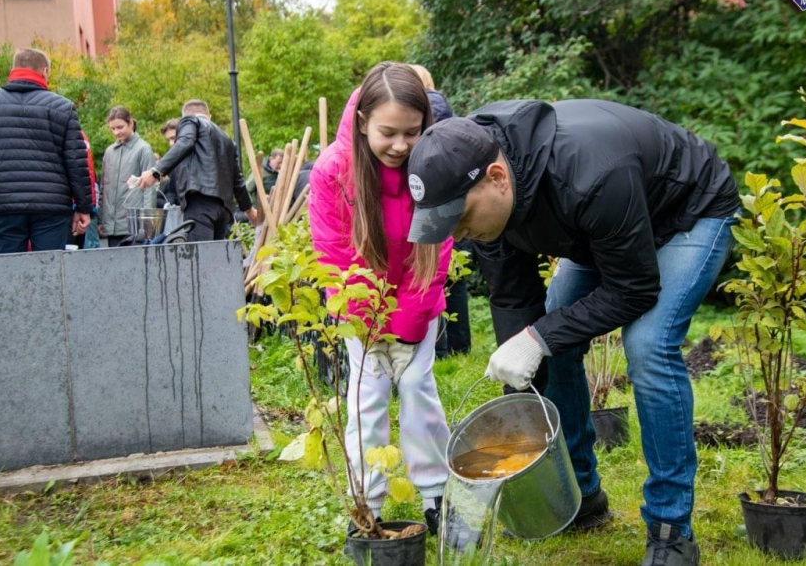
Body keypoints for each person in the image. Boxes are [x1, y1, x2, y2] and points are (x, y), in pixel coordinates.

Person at [405, 100, 741, 566]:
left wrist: (538, 338)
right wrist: (521, 374)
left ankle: (671, 531)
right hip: (598, 229)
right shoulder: (475, 184)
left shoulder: (590, 174)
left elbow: (634, 290)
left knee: (647, 345)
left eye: (461, 220)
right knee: (550, 336)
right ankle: (580, 495)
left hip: (687, 212)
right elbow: (513, 300)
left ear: (498, 178)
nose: (460, 234)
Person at [308, 62, 453, 536]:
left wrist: (410, 324)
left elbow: (436, 250)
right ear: (363, 121)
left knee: (417, 392)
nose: (400, 145)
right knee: (366, 398)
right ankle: (366, 504)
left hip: (417, 301)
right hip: (361, 312)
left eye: (412, 133)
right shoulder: (334, 169)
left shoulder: (433, 162)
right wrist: (368, 324)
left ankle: (435, 496)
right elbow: (334, 255)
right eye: (388, 133)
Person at [0, 48, 92, 254]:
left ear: (14, 69)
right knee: (49, 272)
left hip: (3, 204)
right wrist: (84, 207)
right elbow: (77, 162)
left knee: (9, 272)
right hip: (52, 206)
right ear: (45, 71)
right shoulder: (62, 107)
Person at [410, 64, 471, 358]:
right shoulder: (448, 110)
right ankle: (460, 344)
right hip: (456, 200)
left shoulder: (423, 109)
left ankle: (440, 347)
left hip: (434, 202)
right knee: (454, 277)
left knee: (434, 273)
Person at [136, 100, 256, 241]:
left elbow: (186, 141)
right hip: (223, 210)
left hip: (199, 203)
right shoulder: (227, 139)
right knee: (217, 259)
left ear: (184, 116)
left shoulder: (191, 121)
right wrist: (248, 209)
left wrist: (155, 172)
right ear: (209, 115)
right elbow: (238, 181)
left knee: (200, 258)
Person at [98, 106, 155, 247]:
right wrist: (100, 219)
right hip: (112, 226)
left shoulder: (144, 149)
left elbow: (151, 188)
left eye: (120, 127)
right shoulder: (109, 152)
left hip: (135, 226)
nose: (116, 132)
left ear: (130, 123)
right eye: (113, 129)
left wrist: (148, 223)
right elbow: (103, 188)